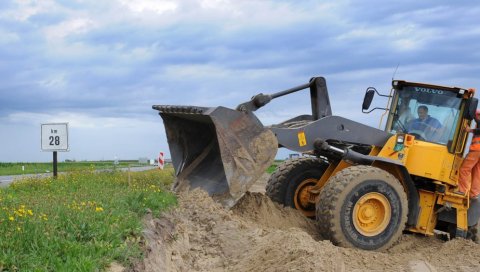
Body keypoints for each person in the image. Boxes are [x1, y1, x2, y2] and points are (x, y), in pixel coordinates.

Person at [457, 109, 480, 198]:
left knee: (464, 170)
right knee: (477, 172)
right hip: (477, 151)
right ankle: (474, 193)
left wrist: (470, 130)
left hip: (476, 150)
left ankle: (462, 190)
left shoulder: (478, 121)